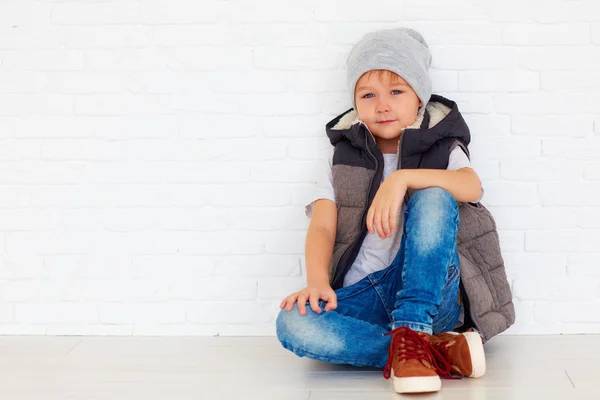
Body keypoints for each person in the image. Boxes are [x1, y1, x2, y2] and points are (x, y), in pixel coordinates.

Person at [275, 28, 515, 394]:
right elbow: (322, 226)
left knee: (435, 194)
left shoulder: (441, 147)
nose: (382, 105)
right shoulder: (341, 157)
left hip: (434, 296)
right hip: (367, 293)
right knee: (293, 322)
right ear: (355, 102)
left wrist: (401, 179)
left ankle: (416, 329)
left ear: (420, 98)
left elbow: (471, 186)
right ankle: (433, 350)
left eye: (396, 92)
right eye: (368, 94)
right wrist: (318, 282)